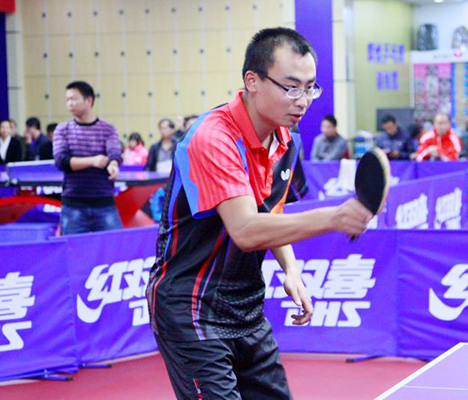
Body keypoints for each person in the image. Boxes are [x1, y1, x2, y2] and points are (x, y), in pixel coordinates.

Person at [146, 27, 372, 400]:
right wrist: (333, 218)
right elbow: (247, 230)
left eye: (310, 88)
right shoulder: (213, 138)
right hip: (191, 308)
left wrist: (291, 270)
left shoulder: (287, 141)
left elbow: (271, 212)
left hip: (246, 305)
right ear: (252, 81)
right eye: (291, 87)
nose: (303, 100)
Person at [53, 81, 123, 235]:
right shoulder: (62, 129)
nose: (69, 103)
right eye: (67, 100)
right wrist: (93, 161)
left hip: (104, 204)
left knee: (115, 247)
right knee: (73, 249)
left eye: (74, 99)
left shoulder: (108, 129)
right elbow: (61, 161)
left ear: (89, 100)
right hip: (73, 206)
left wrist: (113, 164)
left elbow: (114, 153)